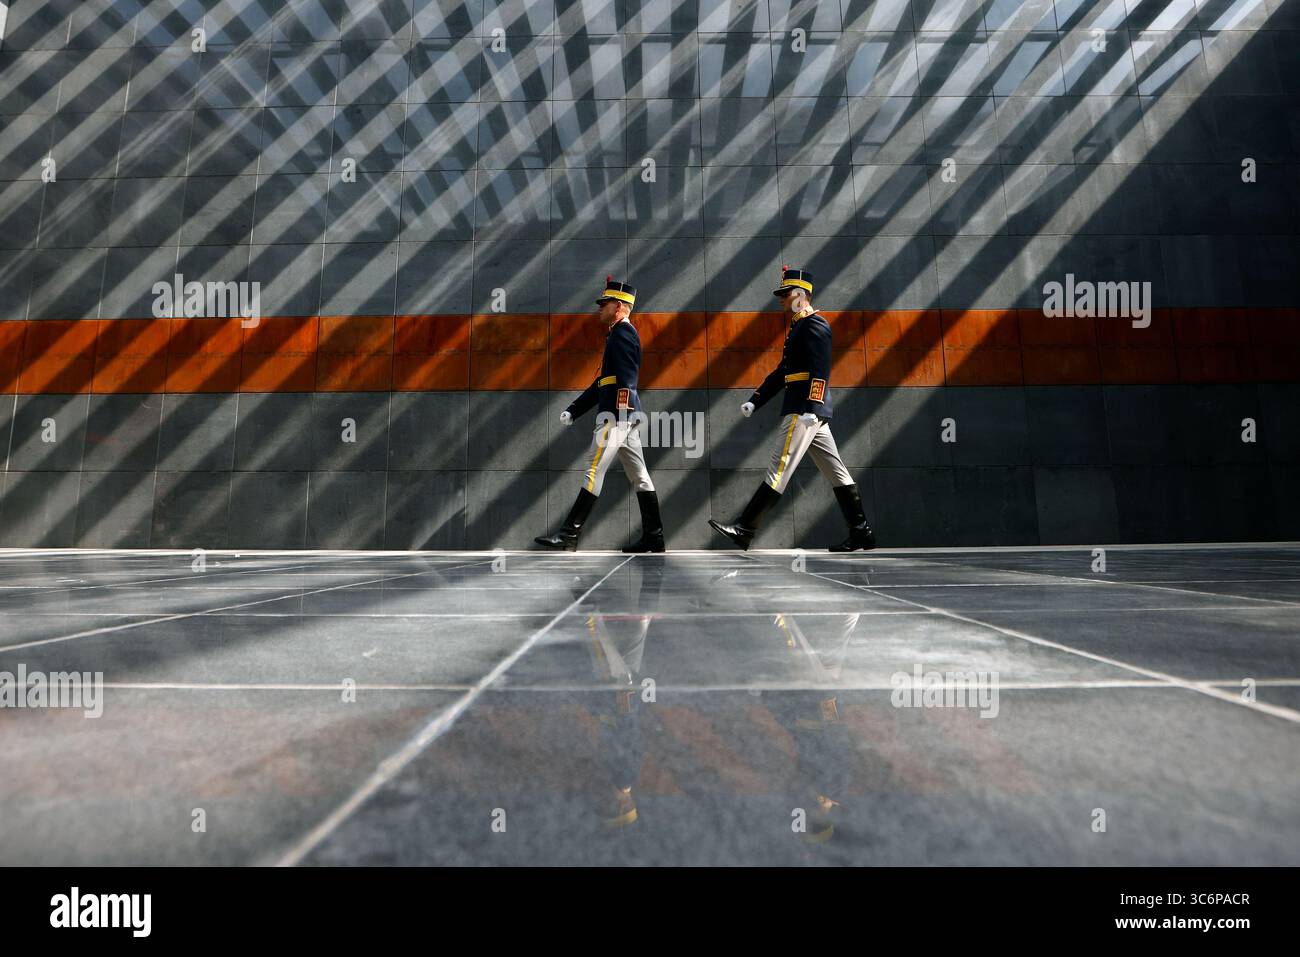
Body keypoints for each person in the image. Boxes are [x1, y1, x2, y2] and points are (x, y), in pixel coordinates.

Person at [708, 266, 875, 552]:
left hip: (803, 409)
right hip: (809, 411)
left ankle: (745, 529)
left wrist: (812, 404)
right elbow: (783, 372)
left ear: (800, 295)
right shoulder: (799, 326)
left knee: (779, 468)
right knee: (838, 473)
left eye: (786, 294)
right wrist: (756, 400)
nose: (782, 299)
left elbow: (820, 370)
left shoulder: (814, 324)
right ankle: (861, 532)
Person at [535, 277, 664, 553]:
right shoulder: (616, 334)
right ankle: (655, 537)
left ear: (618, 306)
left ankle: (569, 534)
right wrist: (574, 410)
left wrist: (619, 415)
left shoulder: (624, 334)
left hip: (617, 415)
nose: (599, 308)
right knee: (640, 475)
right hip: (624, 414)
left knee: (594, 469)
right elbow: (603, 382)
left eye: (604, 304)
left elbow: (627, 380)